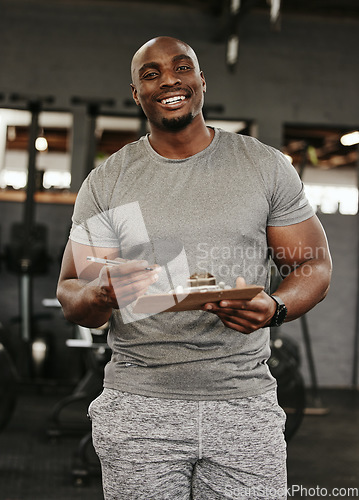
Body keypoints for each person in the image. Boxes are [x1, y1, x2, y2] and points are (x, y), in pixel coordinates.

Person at [57, 36, 332, 499]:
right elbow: (71, 290)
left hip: (244, 405)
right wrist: (99, 294)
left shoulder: (263, 166)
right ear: (135, 93)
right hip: (139, 407)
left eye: (181, 67)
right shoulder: (110, 179)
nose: (168, 79)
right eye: (151, 73)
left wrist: (277, 307)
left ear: (201, 80)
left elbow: (314, 264)